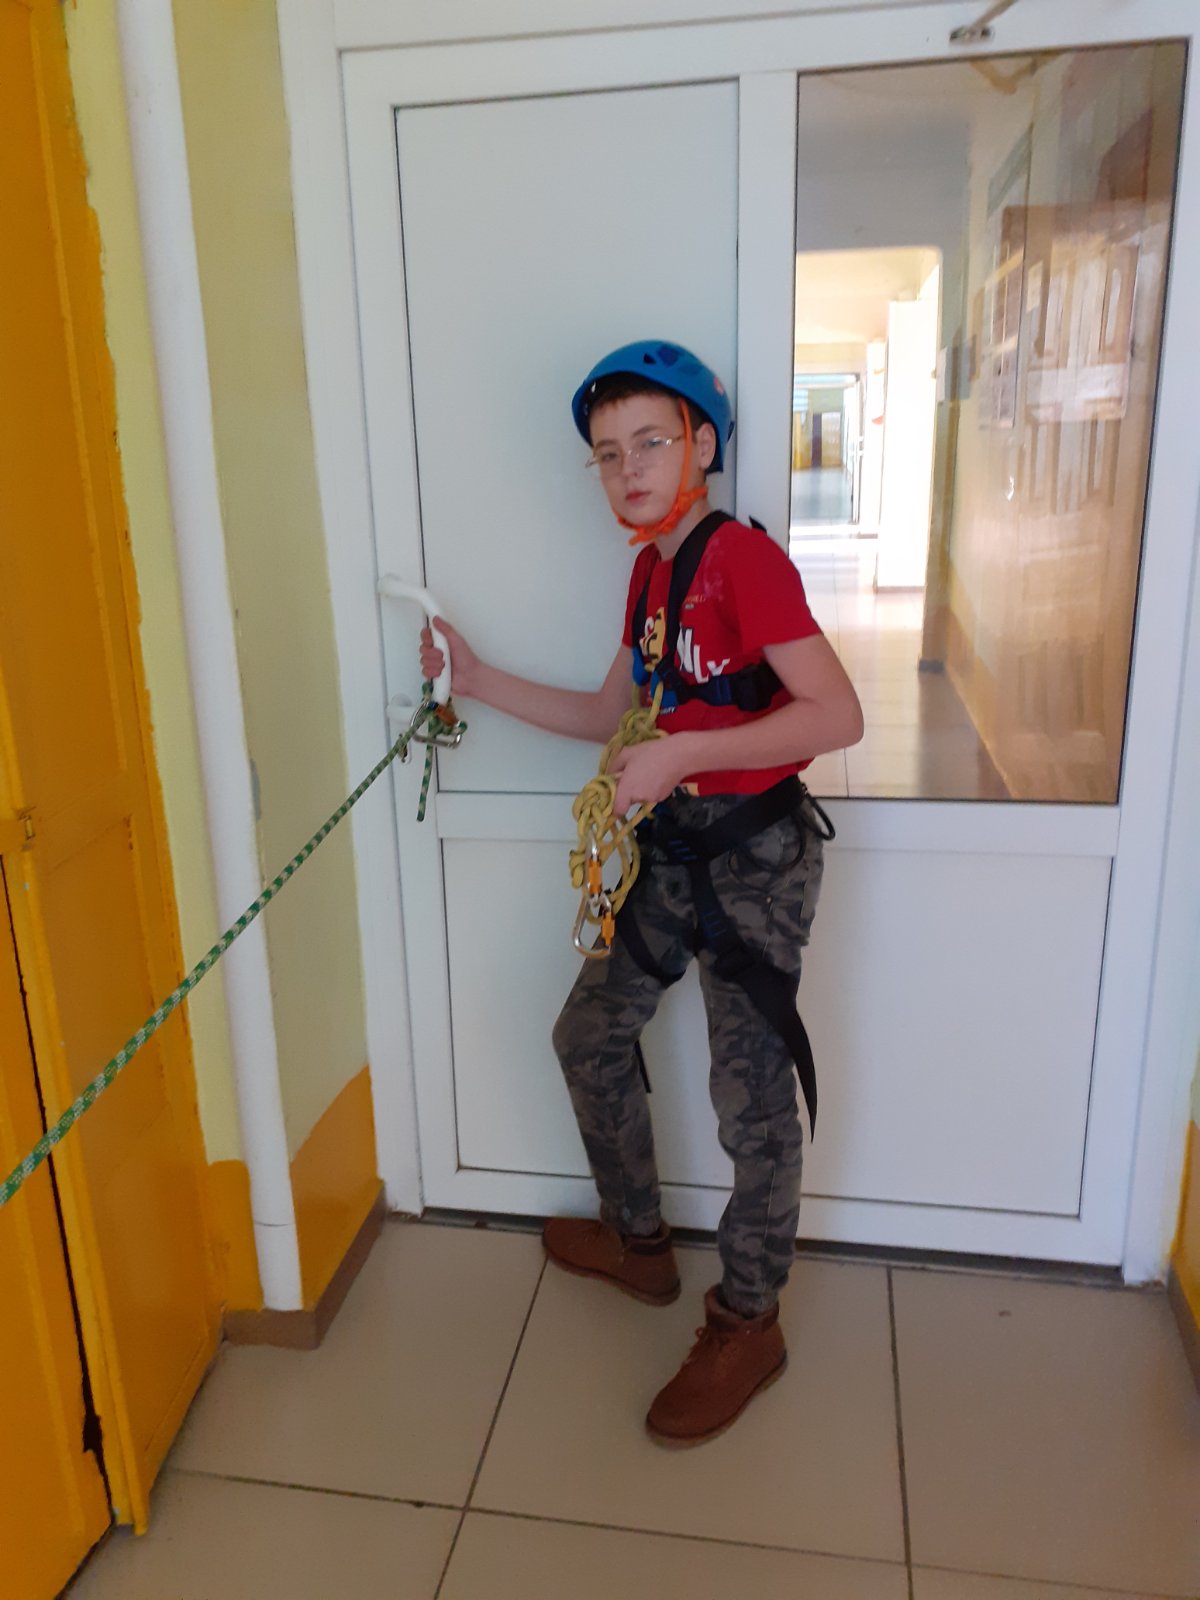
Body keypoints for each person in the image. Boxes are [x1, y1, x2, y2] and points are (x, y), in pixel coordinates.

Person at [420, 339, 863, 1446]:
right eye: (608, 454)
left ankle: (749, 1321)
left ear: (702, 444)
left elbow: (836, 716)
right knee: (589, 1034)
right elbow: (606, 712)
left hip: (754, 859)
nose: (628, 469)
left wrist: (684, 758)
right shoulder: (651, 575)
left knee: (749, 1100)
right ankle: (640, 1243)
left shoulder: (741, 561)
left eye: (650, 442)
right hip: (673, 847)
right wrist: (476, 679)